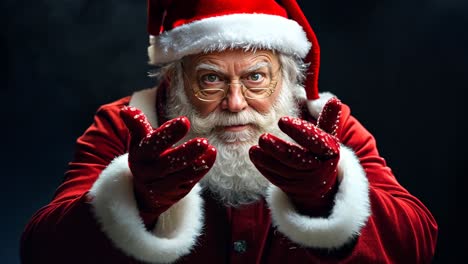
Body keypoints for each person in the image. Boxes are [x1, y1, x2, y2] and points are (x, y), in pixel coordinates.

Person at [20, 0, 438, 263]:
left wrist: (328, 198)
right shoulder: (123, 122)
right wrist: (134, 200)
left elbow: (419, 242)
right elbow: (39, 250)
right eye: (210, 80)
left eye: (256, 77)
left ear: (288, 77)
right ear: (175, 81)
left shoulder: (326, 125)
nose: (235, 103)